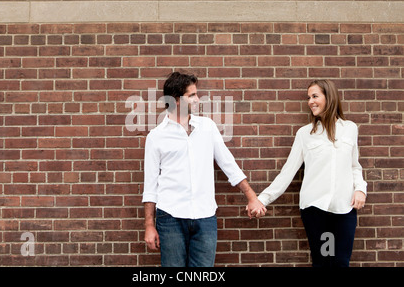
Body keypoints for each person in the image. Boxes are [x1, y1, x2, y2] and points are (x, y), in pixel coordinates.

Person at [142, 71, 266, 267]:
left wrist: (251, 196)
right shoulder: (156, 137)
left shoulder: (207, 127)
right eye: (191, 95)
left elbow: (228, 163)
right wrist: (149, 225)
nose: (198, 99)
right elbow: (150, 185)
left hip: (205, 216)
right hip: (170, 218)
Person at [255, 79, 367, 267]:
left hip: (344, 208)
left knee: (340, 262)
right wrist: (262, 199)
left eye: (315, 96)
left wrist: (361, 189)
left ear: (329, 97)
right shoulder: (305, 134)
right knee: (324, 261)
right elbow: (287, 172)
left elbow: (354, 166)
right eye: (309, 97)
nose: (310, 101)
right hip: (318, 210)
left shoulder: (350, 129)